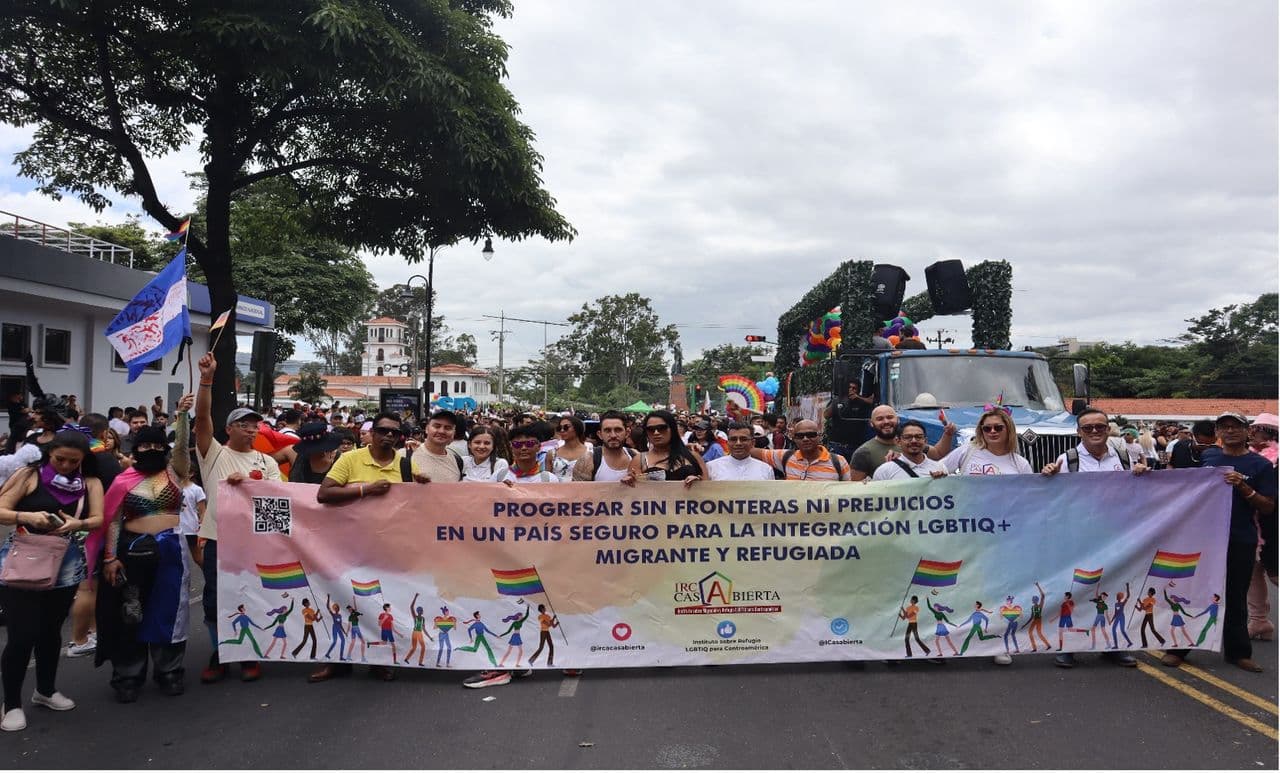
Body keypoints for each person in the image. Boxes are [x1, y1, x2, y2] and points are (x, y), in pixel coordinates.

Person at [94, 396, 197, 702]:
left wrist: (181, 416)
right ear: (135, 449)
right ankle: (128, 675)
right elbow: (113, 521)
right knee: (130, 613)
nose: (151, 450)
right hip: (132, 554)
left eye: (157, 446)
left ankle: (170, 671)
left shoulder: (175, 473)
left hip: (171, 553)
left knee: (171, 612)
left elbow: (181, 449)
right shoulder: (122, 481)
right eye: (145, 446)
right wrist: (110, 558)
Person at [312, 412, 428, 682]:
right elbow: (324, 493)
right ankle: (338, 662)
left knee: (381, 605)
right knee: (342, 602)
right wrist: (366, 490)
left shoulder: (406, 464)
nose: (389, 436)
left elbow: (416, 505)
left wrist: (422, 487)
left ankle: (379, 660)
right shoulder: (350, 459)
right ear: (372, 433)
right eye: (383, 430)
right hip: (348, 547)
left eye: (394, 432)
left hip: (388, 549)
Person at [0, 430, 103, 731]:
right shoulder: (29, 475)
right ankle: (11, 703)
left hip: (66, 562)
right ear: (49, 454)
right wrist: (28, 517)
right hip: (24, 559)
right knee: (21, 634)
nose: (66, 466)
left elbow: (99, 518)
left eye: (74, 461)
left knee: (50, 631)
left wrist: (78, 523)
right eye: (60, 459)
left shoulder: (91, 483)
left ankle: (45, 690)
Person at [1163, 411, 1276, 672]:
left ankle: (1238, 653)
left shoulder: (1261, 465)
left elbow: (1268, 506)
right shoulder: (1208, 458)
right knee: (1194, 592)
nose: (1230, 431)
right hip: (1205, 538)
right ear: (1217, 433)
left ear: (1247, 431)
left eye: (1236, 426)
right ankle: (1179, 648)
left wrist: (1244, 487)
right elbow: (1182, 486)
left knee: (1235, 596)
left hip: (1241, 538)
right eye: (1224, 427)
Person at [194, 351, 281, 684]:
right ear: (228, 428)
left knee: (252, 596)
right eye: (244, 424)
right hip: (219, 540)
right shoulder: (213, 454)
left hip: (255, 542)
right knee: (215, 599)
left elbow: (277, 500)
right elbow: (202, 418)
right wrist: (207, 380)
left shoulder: (267, 462)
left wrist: (248, 485)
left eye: (255, 425)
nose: (251, 430)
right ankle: (220, 654)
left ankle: (248, 653)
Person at [1039, 406, 1144, 667]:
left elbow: (1136, 492)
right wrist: (1047, 475)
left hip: (1114, 536)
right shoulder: (1068, 459)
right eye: (1088, 427)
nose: (1095, 431)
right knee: (1074, 591)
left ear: (1108, 429)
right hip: (1079, 537)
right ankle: (1068, 646)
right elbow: (1053, 497)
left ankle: (1112, 645)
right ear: (1079, 432)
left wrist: (1143, 475)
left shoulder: (1124, 456)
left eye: (1100, 426)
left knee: (1113, 589)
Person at [1246, 413, 1278, 641]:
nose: (1255, 434)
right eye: (1254, 430)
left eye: (1259, 431)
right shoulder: (1249, 457)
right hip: (1251, 524)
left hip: (1273, 524)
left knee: (1275, 572)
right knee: (1253, 573)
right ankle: (1259, 621)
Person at [939, 407, 1032, 476]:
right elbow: (936, 470)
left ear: (1009, 429)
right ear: (981, 431)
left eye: (998, 427)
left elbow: (1030, 492)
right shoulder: (967, 451)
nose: (992, 431)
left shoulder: (1021, 464)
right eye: (987, 428)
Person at [624, 410, 708, 487]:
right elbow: (634, 493)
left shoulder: (693, 456)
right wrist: (630, 482)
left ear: (672, 429)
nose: (656, 432)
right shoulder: (639, 460)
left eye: (662, 428)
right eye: (650, 429)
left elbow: (708, 488)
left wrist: (698, 483)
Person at [749, 419, 849, 481]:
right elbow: (749, 450)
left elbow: (850, 492)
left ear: (819, 437)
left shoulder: (839, 462)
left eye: (810, 435)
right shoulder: (786, 457)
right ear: (794, 439)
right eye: (800, 436)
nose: (805, 439)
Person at [871, 420, 947, 480]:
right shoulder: (884, 471)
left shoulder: (940, 468)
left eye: (918, 437)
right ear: (898, 441)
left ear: (925, 441)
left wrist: (941, 481)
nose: (914, 441)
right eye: (907, 437)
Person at [577, 411, 635, 482]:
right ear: (600, 434)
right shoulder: (588, 460)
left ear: (627, 433)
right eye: (607, 430)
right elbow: (578, 488)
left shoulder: (635, 456)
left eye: (618, 430)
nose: (613, 435)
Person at [410, 410, 465, 483]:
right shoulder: (407, 456)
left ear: (453, 433)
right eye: (437, 426)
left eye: (448, 428)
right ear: (427, 429)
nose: (441, 431)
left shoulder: (457, 460)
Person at [707, 422, 776, 481]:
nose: (738, 443)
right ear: (727, 442)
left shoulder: (765, 469)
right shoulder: (712, 467)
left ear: (753, 443)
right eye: (733, 439)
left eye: (743, 439)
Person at [849, 405, 902, 481]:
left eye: (890, 417)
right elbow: (856, 485)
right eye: (880, 419)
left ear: (898, 420)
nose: (886, 422)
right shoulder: (863, 453)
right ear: (871, 423)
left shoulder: (910, 446)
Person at [553, 416, 593, 480]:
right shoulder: (552, 453)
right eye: (559, 428)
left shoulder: (591, 452)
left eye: (566, 427)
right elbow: (548, 479)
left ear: (577, 429)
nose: (562, 430)